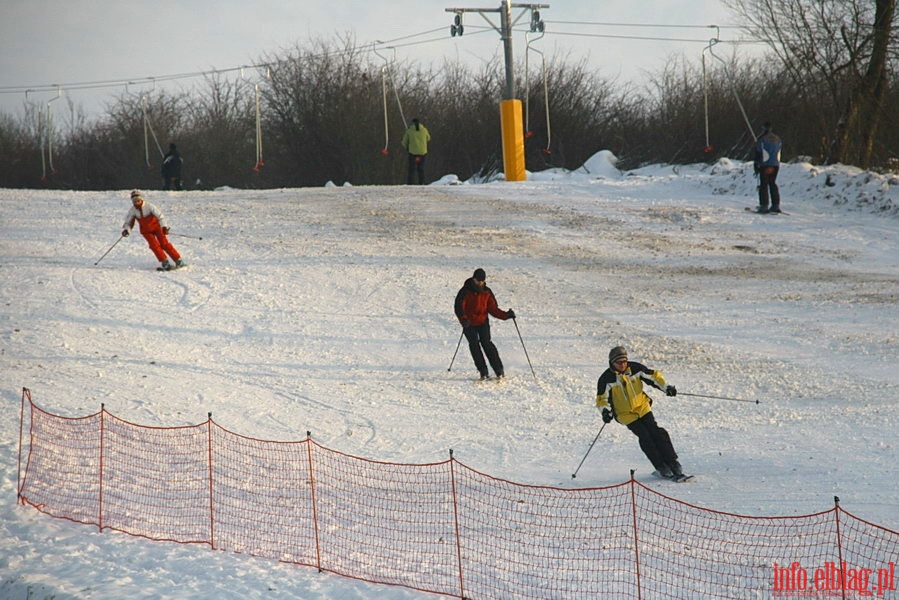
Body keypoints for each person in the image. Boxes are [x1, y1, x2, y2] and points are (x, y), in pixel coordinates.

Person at [595, 346, 685, 478]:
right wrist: (605, 412)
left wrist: (666, 388)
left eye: (624, 361)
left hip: (642, 407)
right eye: (619, 363)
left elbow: (654, 377)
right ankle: (661, 466)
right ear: (612, 363)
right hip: (625, 414)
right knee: (645, 436)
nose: (623, 365)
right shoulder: (606, 379)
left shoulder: (635, 369)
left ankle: (673, 462)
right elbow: (601, 400)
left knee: (656, 432)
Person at [454, 268, 515, 380]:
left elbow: (493, 309)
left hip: (482, 322)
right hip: (469, 323)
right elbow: (458, 307)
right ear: (474, 279)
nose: (480, 283)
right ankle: (483, 371)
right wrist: (463, 319)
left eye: (482, 281)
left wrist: (507, 315)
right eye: (478, 281)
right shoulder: (465, 291)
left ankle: (499, 370)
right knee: (474, 344)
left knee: (487, 343)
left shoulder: (487, 292)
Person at [121, 189, 184, 271]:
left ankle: (178, 260)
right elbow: (128, 223)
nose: (137, 203)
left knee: (164, 243)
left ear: (141, 199)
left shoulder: (149, 206)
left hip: (157, 228)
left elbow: (160, 216)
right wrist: (127, 230)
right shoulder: (133, 210)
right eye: (134, 201)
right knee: (154, 246)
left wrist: (164, 227)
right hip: (146, 231)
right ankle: (165, 262)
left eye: (138, 200)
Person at [753, 122, 782, 213]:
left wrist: (756, 165)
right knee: (772, 183)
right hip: (776, 165)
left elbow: (758, 152)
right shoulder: (778, 139)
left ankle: (764, 205)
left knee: (764, 185)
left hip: (765, 164)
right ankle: (775, 205)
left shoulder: (761, 139)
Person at [401, 118, 430, 185]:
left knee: (412, 168)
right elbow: (428, 138)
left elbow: (404, 142)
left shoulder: (409, 131)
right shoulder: (424, 130)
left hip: (412, 152)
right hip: (422, 152)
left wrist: (407, 147)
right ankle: (421, 182)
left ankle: (410, 182)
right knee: (421, 168)